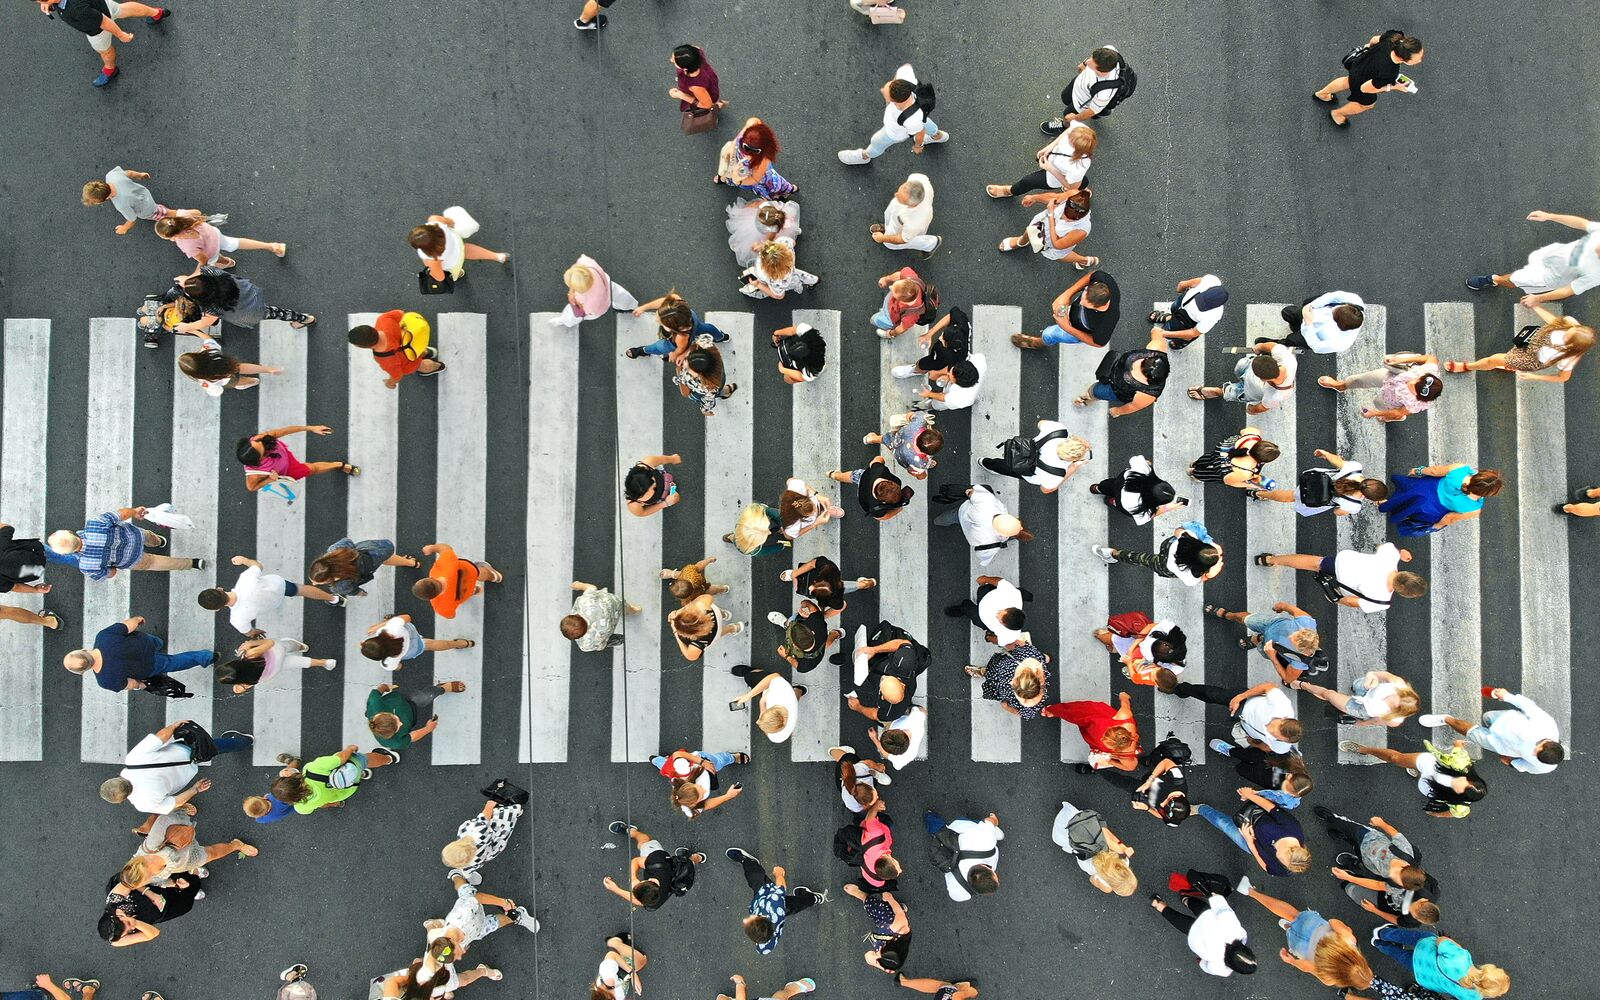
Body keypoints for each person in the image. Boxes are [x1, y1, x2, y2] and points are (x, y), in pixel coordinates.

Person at [1235, 881, 1374, 990]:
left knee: (1293, 914)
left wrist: (1347, 929)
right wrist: (1291, 961)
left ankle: (1250, 892)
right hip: (1301, 947)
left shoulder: (1349, 940)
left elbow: (1333, 921)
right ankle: (1288, 928)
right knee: (1291, 930)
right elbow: (1306, 966)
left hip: (1312, 926)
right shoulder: (1329, 978)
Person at [1316, 807, 1440, 928]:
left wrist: (1374, 909)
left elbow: (1378, 885)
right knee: (1351, 829)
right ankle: (1333, 819)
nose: (1390, 874)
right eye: (1396, 874)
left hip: (1371, 863)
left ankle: (1350, 846)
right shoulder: (1407, 859)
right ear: (1423, 902)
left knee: (1359, 853)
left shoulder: (1396, 887)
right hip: (1372, 840)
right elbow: (1396, 835)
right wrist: (1381, 823)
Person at [98, 719, 251, 814]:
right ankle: (244, 741)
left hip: (189, 769)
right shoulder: (132, 760)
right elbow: (160, 738)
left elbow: (176, 802)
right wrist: (174, 726)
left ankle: (241, 742)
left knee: (214, 749)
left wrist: (195, 789)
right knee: (215, 746)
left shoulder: (143, 804)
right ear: (115, 779)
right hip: (183, 749)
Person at [1467, 209, 1600, 306]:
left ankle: (1494, 279)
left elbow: (1570, 289)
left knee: (1514, 279)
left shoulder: (1597, 274)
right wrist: (1549, 216)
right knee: (1532, 261)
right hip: (1553, 254)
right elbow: (1583, 223)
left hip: (1547, 276)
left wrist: (1538, 298)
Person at [1421, 687, 1565, 774]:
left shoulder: (1545, 767)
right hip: (1505, 720)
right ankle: (1462, 722)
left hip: (1497, 744)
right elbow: (1528, 706)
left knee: (1471, 733)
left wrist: (1510, 762)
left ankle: (1446, 719)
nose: (1532, 751)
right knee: (1486, 717)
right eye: (1537, 748)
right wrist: (1507, 696)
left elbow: (1525, 766)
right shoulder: (1546, 724)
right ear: (1548, 740)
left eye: (1535, 754)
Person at [1340, 738, 1486, 819]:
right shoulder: (1463, 765)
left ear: (1458, 795)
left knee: (1419, 776)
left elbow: (1453, 813)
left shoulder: (1461, 806)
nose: (1461, 779)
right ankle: (1364, 749)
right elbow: (1459, 748)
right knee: (1395, 758)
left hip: (1427, 786)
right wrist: (1458, 744)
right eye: (1466, 779)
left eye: (1460, 786)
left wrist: (1437, 814)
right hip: (1430, 765)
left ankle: (1417, 772)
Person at [1444, 303, 1594, 380]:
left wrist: (1534, 377)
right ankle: (1508, 365)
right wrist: (1535, 306)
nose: (1566, 331)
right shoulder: (1571, 324)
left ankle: (1468, 366)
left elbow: (1562, 378)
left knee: (1494, 359)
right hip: (1531, 341)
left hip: (1530, 359)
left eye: (1568, 335)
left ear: (1572, 345)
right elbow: (1554, 322)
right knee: (1510, 354)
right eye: (1570, 329)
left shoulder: (1569, 358)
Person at [1258, 543, 1427, 612]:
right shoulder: (1382, 602)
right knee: (1317, 568)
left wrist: (1399, 553)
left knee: (1315, 562)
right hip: (1342, 581)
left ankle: (1270, 560)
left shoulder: (1390, 558)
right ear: (1404, 593)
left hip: (1344, 562)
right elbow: (1351, 602)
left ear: (1408, 574)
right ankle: (1271, 560)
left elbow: (1382, 546)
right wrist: (1336, 599)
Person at [35, 0, 169, 86]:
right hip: (103, 4)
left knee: (104, 50)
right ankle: (157, 13)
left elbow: (104, 22)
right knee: (122, 9)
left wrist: (121, 35)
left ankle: (110, 69)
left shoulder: (76, 9)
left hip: (97, 29)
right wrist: (49, 3)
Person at [65, 616, 214, 693]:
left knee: (174, 662)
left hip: (148, 666)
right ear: (83, 650)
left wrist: (141, 685)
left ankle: (205, 657)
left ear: (82, 673)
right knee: (156, 642)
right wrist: (138, 619)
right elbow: (129, 625)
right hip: (145, 643)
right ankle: (160, 643)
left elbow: (133, 684)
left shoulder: (105, 681)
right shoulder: (103, 637)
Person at [837, 62, 948, 164]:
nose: (882, 91)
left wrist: (918, 146)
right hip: (918, 116)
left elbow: (920, 132)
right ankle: (937, 135)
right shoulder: (906, 81)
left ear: (895, 102)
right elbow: (906, 67)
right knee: (924, 121)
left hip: (896, 132)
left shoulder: (911, 119)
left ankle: (865, 156)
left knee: (877, 142)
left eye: (886, 95)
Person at [48, 508, 200, 581]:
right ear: (71, 532)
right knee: (149, 536)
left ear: (68, 553)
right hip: (135, 536)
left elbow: (111, 573)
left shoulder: (86, 566)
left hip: (132, 560)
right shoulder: (94, 524)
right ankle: (160, 541)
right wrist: (135, 511)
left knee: (155, 562)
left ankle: (192, 563)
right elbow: (121, 514)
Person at [424, 873, 539, 967]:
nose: (460, 957)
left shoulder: (463, 914)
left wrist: (504, 902)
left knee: (464, 889)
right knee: (494, 924)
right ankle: (516, 916)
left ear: (453, 941)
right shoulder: (444, 944)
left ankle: (457, 874)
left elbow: (478, 898)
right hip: (476, 930)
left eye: (457, 955)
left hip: (472, 909)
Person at [725, 848, 826, 954]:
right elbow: (781, 888)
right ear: (762, 917)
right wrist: (779, 874)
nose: (745, 920)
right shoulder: (774, 904)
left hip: (771, 908)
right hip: (768, 898)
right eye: (749, 920)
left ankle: (814, 898)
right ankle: (813, 897)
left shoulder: (764, 947)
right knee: (757, 878)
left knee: (796, 905)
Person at [1315, 30, 1425, 127]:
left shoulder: (1395, 37)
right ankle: (1337, 114)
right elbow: (1365, 89)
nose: (1420, 60)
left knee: (1347, 81)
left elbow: (1374, 40)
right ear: (1402, 58)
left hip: (1361, 63)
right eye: (1418, 59)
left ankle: (1322, 94)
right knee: (1367, 105)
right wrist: (1395, 87)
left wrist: (1368, 48)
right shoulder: (1390, 72)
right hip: (1363, 80)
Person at [120, 814, 258, 888]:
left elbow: (164, 819)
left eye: (143, 882)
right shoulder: (149, 877)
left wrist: (184, 821)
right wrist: (174, 883)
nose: (146, 883)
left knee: (211, 853)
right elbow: (159, 882)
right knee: (212, 854)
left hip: (183, 842)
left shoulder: (150, 847)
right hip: (187, 862)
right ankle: (235, 845)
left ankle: (237, 846)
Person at [1149, 883, 1255, 978]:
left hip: (1207, 918)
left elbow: (1223, 910)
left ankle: (1186, 898)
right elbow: (1205, 965)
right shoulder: (1222, 969)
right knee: (1179, 921)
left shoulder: (1237, 932)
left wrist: (1215, 895)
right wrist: (1201, 961)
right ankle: (1157, 904)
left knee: (1197, 906)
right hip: (1196, 937)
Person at [1197, 787, 1311, 875]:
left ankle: (1200, 809)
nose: (1276, 855)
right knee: (1223, 823)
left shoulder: (1284, 870)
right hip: (1256, 820)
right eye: (1280, 856)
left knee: (1223, 824)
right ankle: (1201, 808)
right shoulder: (1292, 828)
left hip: (1250, 842)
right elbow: (1271, 808)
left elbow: (1266, 867)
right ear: (1291, 849)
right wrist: (1250, 795)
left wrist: (1250, 842)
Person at [1369, 928, 1510, 999]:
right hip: (1423, 974)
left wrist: (1453, 943)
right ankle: (1379, 944)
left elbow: (1441, 942)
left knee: (1406, 936)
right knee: (1400, 955)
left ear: (1488, 969)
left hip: (1425, 948)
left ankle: (1382, 933)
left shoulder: (1461, 958)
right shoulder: (1474, 997)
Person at [169, 266, 315, 333]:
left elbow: (206, 322)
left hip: (247, 312)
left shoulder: (210, 308)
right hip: (248, 293)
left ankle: (305, 319)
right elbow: (200, 271)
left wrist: (186, 327)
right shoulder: (212, 273)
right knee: (272, 311)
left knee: (272, 313)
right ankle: (303, 318)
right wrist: (188, 281)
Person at [1205, 602, 1324, 683]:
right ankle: (1228, 615)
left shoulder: (1301, 662)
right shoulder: (1307, 623)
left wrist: (1273, 658)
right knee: (1246, 619)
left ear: (1300, 649)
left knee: (1261, 646)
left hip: (1272, 648)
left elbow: (1288, 679)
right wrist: (1281, 606)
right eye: (1295, 633)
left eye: (1292, 639)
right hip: (1270, 623)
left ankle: (1256, 639)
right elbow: (1291, 609)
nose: (1290, 634)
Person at [1172, 680, 1302, 755]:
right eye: (1275, 726)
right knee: (1212, 695)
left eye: (1275, 735)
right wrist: (1240, 697)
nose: (1269, 730)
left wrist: (1253, 742)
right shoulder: (1282, 705)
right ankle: (1182, 689)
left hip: (1243, 722)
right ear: (1284, 718)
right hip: (1244, 702)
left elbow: (1268, 747)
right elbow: (1267, 687)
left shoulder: (1281, 746)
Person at [441, 779, 528, 883]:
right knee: (506, 816)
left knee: (505, 831)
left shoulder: (470, 864)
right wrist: (490, 805)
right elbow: (484, 816)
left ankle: (515, 814)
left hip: (491, 849)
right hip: (495, 826)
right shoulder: (466, 830)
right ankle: (516, 811)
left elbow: (467, 871)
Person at [1247, 450, 1388, 515]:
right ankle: (1260, 494)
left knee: (1291, 494)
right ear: (1368, 498)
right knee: (1291, 497)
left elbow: (1338, 461)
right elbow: (1338, 512)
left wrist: (1325, 454)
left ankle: (1259, 493)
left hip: (1316, 479)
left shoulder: (1355, 468)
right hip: (1316, 496)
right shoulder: (1354, 506)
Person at [601, 821, 703, 910]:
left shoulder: (657, 899)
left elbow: (639, 901)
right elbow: (636, 861)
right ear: (648, 881)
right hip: (662, 861)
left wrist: (616, 890)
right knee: (644, 841)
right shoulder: (655, 863)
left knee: (688, 863)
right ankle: (631, 831)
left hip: (677, 876)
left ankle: (698, 857)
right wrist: (633, 879)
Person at [272, 744, 398, 814]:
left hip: (347, 789)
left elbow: (322, 805)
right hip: (349, 766)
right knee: (364, 760)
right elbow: (340, 759)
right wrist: (349, 749)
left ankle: (360, 775)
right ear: (291, 778)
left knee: (353, 775)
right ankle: (389, 758)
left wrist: (335, 803)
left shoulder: (301, 808)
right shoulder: (312, 770)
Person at [1379, 465, 1502, 537]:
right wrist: (1436, 526)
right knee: (1412, 508)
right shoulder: (1474, 508)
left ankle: (1390, 502)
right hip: (1429, 510)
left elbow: (1435, 471)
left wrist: (1419, 470)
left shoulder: (1461, 469)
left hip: (1425, 488)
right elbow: (1450, 518)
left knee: (1408, 494)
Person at [1092, 520, 1223, 587]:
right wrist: (1210, 575)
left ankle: (1112, 553)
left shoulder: (1189, 538)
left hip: (1168, 546)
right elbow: (1201, 579)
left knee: (1140, 558)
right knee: (1140, 559)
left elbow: (1178, 531)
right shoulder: (1191, 577)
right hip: (1164, 566)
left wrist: (1208, 542)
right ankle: (1112, 554)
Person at [1011, 269, 1120, 349]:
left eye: (1085, 305)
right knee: (1062, 312)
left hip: (1077, 329)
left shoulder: (1106, 322)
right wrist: (1067, 295)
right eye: (1083, 296)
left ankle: (1038, 343)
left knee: (1049, 334)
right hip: (1073, 318)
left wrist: (1067, 328)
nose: (1080, 303)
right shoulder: (1104, 281)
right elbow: (1092, 275)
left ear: (1097, 307)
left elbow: (1098, 343)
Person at [1073, 327, 1170, 416]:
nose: (1136, 366)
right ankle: (1087, 398)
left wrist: (1117, 411)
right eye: (1144, 361)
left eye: (1143, 371)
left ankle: (1087, 400)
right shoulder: (1157, 349)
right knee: (1095, 390)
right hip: (1114, 368)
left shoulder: (1148, 394)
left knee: (1096, 391)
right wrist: (1158, 331)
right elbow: (1156, 332)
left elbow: (1133, 406)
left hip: (1116, 390)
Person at [843, 620, 931, 718]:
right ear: (901, 683)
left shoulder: (893, 711)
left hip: (879, 665)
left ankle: (849, 658)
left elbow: (876, 715)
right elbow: (904, 643)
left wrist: (858, 707)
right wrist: (874, 650)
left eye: (882, 680)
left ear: (882, 696)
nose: (884, 676)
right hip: (885, 658)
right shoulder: (904, 663)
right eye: (887, 677)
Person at [986, 121, 1095, 199]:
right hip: (1052, 158)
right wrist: (1049, 147)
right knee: (1080, 180)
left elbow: (1071, 186)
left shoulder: (1078, 167)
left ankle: (1009, 191)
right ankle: (1082, 189)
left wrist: (1050, 169)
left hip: (1054, 175)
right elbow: (1067, 131)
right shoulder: (1082, 131)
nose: (1068, 137)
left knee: (1028, 181)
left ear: (1077, 148)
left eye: (1070, 140)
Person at [235, 425, 357, 494]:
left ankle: (339, 465)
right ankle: (339, 465)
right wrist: (269, 480)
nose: (262, 442)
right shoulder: (254, 475)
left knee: (310, 468)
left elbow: (282, 431)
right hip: (287, 470)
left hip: (283, 454)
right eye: (263, 450)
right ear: (259, 460)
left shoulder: (257, 440)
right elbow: (251, 488)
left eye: (259, 442)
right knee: (311, 468)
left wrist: (310, 428)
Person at [933, 484, 1032, 566]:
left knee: (947, 518)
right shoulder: (992, 545)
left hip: (962, 513)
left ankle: (937, 521)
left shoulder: (988, 502)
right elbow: (982, 554)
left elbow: (971, 492)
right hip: (971, 533)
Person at [154, 210, 285, 273]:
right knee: (235, 242)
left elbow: (203, 259)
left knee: (215, 259)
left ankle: (228, 262)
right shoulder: (182, 217)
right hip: (213, 233)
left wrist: (195, 273)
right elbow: (197, 212)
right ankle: (271, 246)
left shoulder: (185, 245)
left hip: (212, 251)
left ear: (172, 236)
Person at [980, 420, 1089, 495]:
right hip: (1027, 470)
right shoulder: (1056, 475)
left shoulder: (1059, 430)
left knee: (1003, 463)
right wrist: (1073, 467)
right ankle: (988, 464)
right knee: (1011, 469)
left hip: (1024, 448)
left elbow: (1041, 423)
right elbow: (1045, 489)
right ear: (1071, 459)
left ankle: (985, 462)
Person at [1051, 802, 1137, 896]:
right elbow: (1092, 879)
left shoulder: (1123, 860)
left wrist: (1123, 847)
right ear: (1114, 888)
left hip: (1083, 823)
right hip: (1074, 838)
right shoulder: (1105, 885)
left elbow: (1108, 835)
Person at [1042, 46, 1132, 135]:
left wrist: (1075, 118)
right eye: (1091, 57)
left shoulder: (1104, 94)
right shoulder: (1109, 50)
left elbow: (1092, 111)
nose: (1088, 61)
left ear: (1102, 72)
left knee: (1067, 116)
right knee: (1065, 98)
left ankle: (1064, 127)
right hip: (1079, 84)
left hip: (1082, 103)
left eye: (1092, 63)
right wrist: (1084, 64)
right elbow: (1092, 59)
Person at [100, 870, 205, 945]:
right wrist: (136, 923)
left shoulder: (115, 899)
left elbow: (131, 881)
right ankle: (191, 890)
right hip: (157, 912)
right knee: (185, 905)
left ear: (118, 916)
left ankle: (194, 872)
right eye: (128, 932)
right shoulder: (117, 939)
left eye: (127, 924)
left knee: (181, 879)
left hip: (152, 890)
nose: (132, 928)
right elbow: (153, 933)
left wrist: (150, 894)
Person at [1189, 342, 1297, 414]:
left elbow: (1261, 407)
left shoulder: (1276, 395)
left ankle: (1218, 392)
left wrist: (1251, 409)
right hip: (1249, 378)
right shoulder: (1288, 360)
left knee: (1231, 392)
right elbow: (1272, 346)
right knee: (1241, 365)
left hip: (1249, 391)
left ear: (1263, 379)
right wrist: (1259, 347)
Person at [410, 208, 508, 285]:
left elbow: (440, 277)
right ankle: (497, 256)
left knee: (454, 273)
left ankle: (459, 273)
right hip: (457, 243)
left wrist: (431, 272)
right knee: (468, 249)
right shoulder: (435, 221)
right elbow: (450, 222)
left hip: (454, 262)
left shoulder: (433, 258)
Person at [999, 188, 1095, 266]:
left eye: (1072, 219)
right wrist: (1035, 198)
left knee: (1061, 256)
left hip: (1054, 241)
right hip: (1043, 223)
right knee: (1031, 229)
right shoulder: (1073, 194)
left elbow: (1058, 245)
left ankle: (1083, 260)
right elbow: (1055, 197)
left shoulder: (1082, 230)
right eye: (1066, 214)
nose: (1066, 219)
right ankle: (1021, 242)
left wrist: (1051, 216)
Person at [1044, 695, 1141, 771]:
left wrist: (1123, 697)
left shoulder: (1126, 718)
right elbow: (1130, 767)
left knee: (1078, 711)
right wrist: (1110, 760)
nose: (1102, 739)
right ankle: (1055, 711)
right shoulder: (1125, 756)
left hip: (1099, 720)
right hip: (1098, 721)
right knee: (1079, 711)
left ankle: (1054, 710)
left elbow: (1125, 705)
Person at [348, 311, 445, 385]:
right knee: (418, 350)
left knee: (422, 365)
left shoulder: (384, 359)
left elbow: (397, 375)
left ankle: (437, 366)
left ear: (365, 346)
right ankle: (427, 352)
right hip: (411, 341)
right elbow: (401, 314)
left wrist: (390, 383)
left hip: (410, 361)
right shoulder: (383, 320)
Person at [1293, 671, 1419, 728]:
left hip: (1361, 707)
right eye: (1393, 696)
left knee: (1328, 695)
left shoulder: (1394, 721)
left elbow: (1376, 721)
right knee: (1355, 685)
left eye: (1391, 704)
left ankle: (1303, 685)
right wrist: (1372, 676)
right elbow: (1380, 674)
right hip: (1366, 687)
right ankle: (1354, 688)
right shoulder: (1398, 683)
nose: (1387, 699)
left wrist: (1361, 723)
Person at [923, 810, 1002, 901]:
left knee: (939, 828)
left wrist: (994, 819)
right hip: (947, 855)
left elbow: (989, 821)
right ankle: (930, 820)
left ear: (988, 868)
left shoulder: (985, 841)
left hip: (956, 830)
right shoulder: (961, 893)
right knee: (938, 831)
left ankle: (929, 817)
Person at [366, 681, 466, 750]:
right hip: (412, 718)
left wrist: (386, 687)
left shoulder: (375, 702)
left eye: (396, 719)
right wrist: (428, 729)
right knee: (423, 700)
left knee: (424, 699)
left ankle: (443, 687)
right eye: (397, 728)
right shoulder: (392, 742)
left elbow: (380, 689)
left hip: (403, 697)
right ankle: (438, 689)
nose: (401, 723)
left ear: (384, 713)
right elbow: (413, 736)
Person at [217, 636, 335, 694]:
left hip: (274, 669)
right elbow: (269, 643)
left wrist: (239, 687)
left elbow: (238, 689)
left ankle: (324, 662)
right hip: (276, 653)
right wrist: (251, 643)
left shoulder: (247, 681)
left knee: (297, 663)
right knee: (286, 645)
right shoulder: (250, 655)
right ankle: (301, 647)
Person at [1094, 612, 1186, 686]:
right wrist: (1133, 646)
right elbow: (1150, 627)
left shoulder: (1147, 653)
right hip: (1136, 649)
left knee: (1112, 638)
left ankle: (1104, 638)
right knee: (1118, 641)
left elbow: (1135, 678)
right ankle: (1114, 646)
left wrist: (1130, 656)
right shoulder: (1173, 635)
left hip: (1135, 655)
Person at [173, 332, 283, 395]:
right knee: (241, 367)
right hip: (226, 365)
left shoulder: (204, 381)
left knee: (241, 382)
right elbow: (208, 339)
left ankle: (253, 381)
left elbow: (217, 391)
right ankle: (269, 370)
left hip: (225, 380)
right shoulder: (209, 351)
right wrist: (194, 330)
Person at [414, 542, 503, 619]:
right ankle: (495, 577)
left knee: (467, 590)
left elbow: (451, 616)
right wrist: (431, 548)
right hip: (470, 572)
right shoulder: (443, 567)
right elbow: (446, 548)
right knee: (480, 572)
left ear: (432, 597)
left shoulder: (440, 607)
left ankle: (475, 590)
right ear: (430, 578)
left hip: (464, 592)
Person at [307, 537, 417, 599]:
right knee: (385, 557)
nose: (314, 584)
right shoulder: (335, 549)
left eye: (319, 582)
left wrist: (360, 593)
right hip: (371, 550)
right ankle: (411, 563)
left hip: (369, 566)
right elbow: (348, 541)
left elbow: (352, 590)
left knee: (384, 560)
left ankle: (409, 563)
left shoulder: (340, 586)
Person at [652, 748, 748, 818]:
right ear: (694, 803)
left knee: (719, 761)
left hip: (702, 762)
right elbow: (705, 805)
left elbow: (678, 754)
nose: (704, 789)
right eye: (702, 795)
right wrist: (728, 796)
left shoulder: (683, 770)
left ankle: (732, 757)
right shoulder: (690, 809)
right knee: (665, 765)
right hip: (705, 772)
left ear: (690, 783)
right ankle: (655, 760)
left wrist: (702, 762)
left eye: (699, 787)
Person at [716, 117, 797, 200]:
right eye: (746, 148)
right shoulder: (750, 128)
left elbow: (755, 179)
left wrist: (738, 181)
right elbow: (754, 121)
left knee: (772, 186)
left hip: (754, 175)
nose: (749, 155)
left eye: (755, 151)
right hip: (742, 168)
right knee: (733, 173)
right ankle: (727, 179)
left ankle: (788, 190)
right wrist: (733, 145)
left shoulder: (764, 159)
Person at [966, 642, 1050, 720]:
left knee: (992, 674)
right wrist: (1006, 707)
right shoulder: (1027, 657)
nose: (1011, 682)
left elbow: (1020, 713)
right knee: (992, 672)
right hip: (1001, 669)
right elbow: (1016, 644)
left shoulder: (1029, 656)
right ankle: (984, 671)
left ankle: (984, 672)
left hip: (1000, 673)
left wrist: (1007, 707)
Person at [1090, 455, 1184, 525]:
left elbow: (1134, 459)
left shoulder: (1145, 471)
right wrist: (1167, 508)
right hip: (1123, 503)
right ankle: (1112, 501)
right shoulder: (1142, 508)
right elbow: (1143, 520)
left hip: (1121, 483)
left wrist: (1147, 464)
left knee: (1108, 485)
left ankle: (1098, 489)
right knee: (1118, 503)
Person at [361, 613, 473, 671]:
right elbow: (407, 617)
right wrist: (385, 624)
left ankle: (461, 644)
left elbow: (398, 667)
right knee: (432, 642)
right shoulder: (388, 629)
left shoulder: (387, 663)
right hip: (409, 633)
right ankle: (463, 643)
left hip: (412, 649)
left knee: (431, 645)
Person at [1266, 291, 1367, 353]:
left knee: (1291, 340)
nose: (1331, 309)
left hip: (1310, 334)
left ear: (1337, 324)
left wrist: (1308, 324)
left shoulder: (1340, 343)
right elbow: (1330, 297)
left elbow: (1316, 346)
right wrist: (1311, 306)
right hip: (1310, 312)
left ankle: (1274, 345)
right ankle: (1295, 326)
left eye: (1333, 314)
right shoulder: (1354, 300)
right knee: (1287, 312)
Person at [1147, 275, 1228, 350]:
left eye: (1203, 305)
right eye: (1200, 299)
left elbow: (1193, 333)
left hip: (1187, 321)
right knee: (1174, 309)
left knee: (1174, 329)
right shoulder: (1211, 280)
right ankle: (1170, 318)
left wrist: (1166, 334)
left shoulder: (1213, 316)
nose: (1196, 304)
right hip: (1182, 305)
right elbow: (1183, 284)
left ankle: (1183, 341)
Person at [945, 575, 1029, 646]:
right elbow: (999, 582)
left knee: (969, 610)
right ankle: (1025, 594)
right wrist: (985, 579)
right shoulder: (1013, 594)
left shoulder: (1010, 636)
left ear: (1006, 626)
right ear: (1011, 608)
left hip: (981, 617)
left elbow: (997, 641)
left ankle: (962, 609)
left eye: (999, 619)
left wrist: (989, 637)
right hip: (986, 594)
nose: (997, 614)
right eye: (1001, 611)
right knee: (985, 589)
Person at [730, 666, 805, 745]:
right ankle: (753, 672)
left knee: (794, 701)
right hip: (778, 690)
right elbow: (774, 676)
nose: (757, 721)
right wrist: (748, 696)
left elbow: (763, 701)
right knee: (749, 678)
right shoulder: (782, 692)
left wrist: (762, 706)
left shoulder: (777, 738)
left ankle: (799, 690)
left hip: (787, 702)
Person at [83, 165, 167, 233]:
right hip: (143, 192)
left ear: (106, 198)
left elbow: (132, 220)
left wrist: (124, 228)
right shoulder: (111, 175)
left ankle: (168, 216)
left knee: (159, 213)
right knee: (153, 207)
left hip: (145, 208)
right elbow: (128, 173)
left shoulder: (121, 204)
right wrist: (139, 175)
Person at [873, 173, 941, 257]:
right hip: (902, 216)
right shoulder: (917, 178)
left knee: (893, 243)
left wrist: (883, 238)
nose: (896, 194)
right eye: (901, 189)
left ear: (912, 205)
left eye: (901, 198)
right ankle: (887, 228)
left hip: (909, 229)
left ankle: (931, 244)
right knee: (889, 214)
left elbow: (902, 239)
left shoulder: (914, 222)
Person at [865, 409, 943, 480]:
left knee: (885, 439)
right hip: (900, 456)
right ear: (928, 453)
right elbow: (917, 474)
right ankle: (929, 462)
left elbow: (909, 415)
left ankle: (871, 439)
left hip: (896, 440)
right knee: (893, 448)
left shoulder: (919, 422)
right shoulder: (920, 463)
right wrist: (923, 475)